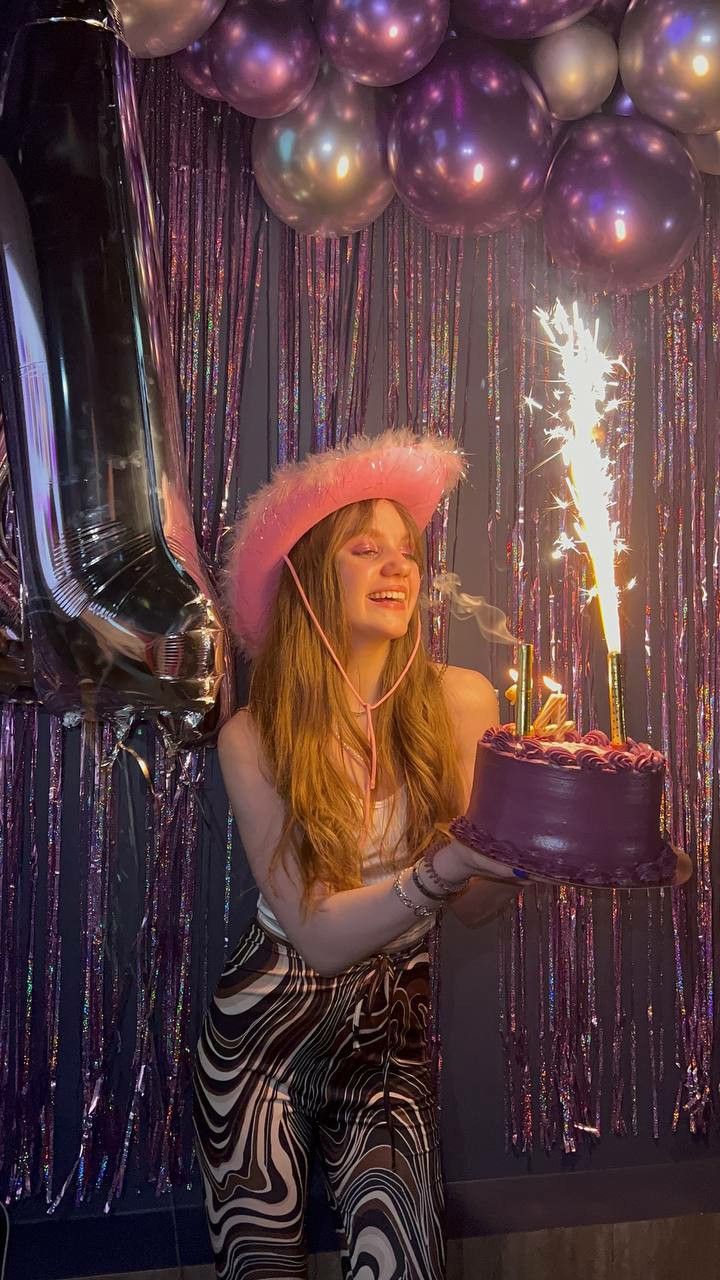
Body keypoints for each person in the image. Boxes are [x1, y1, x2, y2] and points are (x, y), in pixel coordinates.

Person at [192, 429, 690, 1280]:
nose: (398, 569)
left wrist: (535, 832)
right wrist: (455, 860)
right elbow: (317, 936)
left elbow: (475, 902)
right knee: (258, 1268)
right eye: (366, 548)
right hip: (264, 1036)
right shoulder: (252, 736)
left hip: (395, 1033)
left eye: (408, 554)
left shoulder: (461, 700)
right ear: (312, 575)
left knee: (407, 1268)